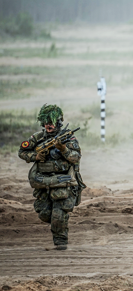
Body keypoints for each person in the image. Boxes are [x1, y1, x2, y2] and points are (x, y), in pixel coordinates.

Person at [18, 104, 84, 250]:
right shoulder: (38, 138)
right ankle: (57, 223)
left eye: (52, 122)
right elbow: (21, 151)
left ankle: (60, 241)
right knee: (44, 213)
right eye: (46, 122)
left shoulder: (68, 138)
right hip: (43, 182)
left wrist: (63, 149)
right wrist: (35, 156)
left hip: (62, 182)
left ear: (59, 122)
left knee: (58, 214)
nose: (49, 125)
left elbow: (76, 157)